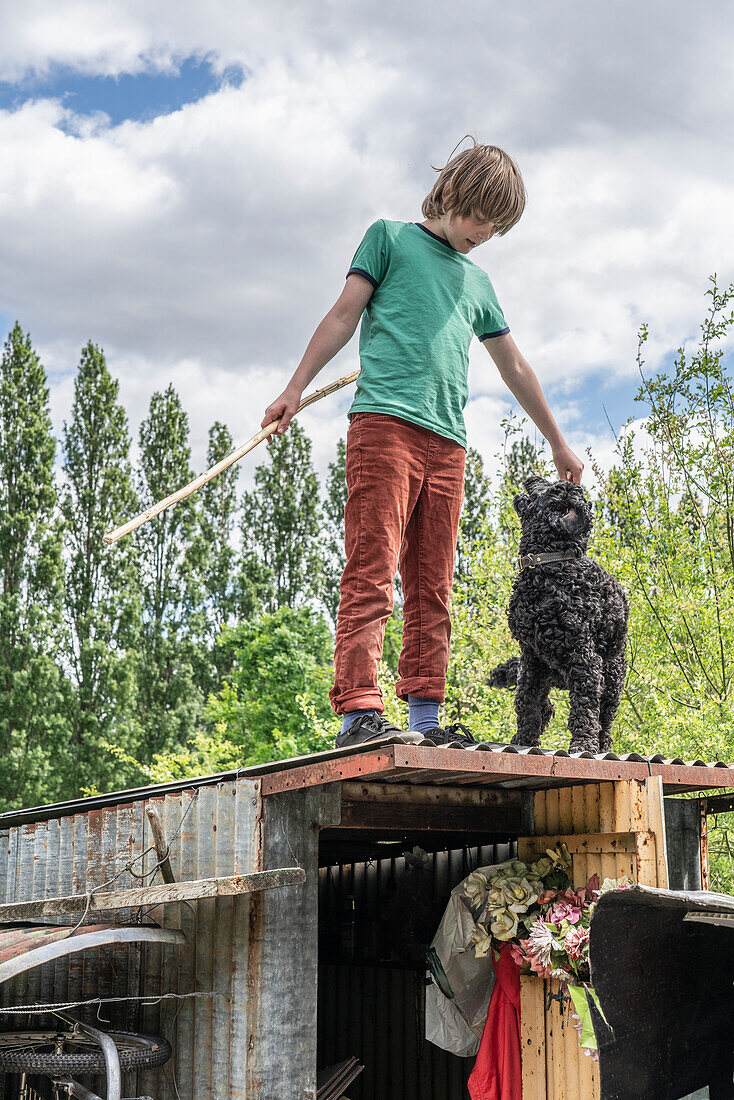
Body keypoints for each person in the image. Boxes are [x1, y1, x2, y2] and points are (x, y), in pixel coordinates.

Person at [261, 138, 583, 750]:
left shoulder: (477, 281)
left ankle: (425, 720)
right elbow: (342, 315)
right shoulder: (388, 239)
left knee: (433, 582)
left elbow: (514, 365)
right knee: (373, 569)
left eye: (498, 225)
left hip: (448, 445)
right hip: (385, 429)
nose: (486, 232)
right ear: (457, 194)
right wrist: (293, 390)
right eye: (482, 217)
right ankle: (358, 710)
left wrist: (558, 443)